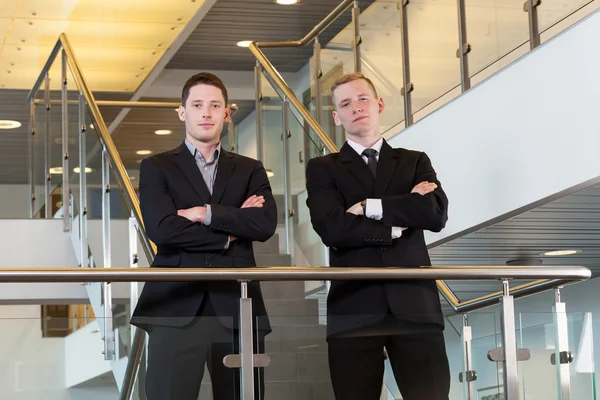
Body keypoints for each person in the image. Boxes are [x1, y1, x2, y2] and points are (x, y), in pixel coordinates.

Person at [131, 72, 277, 400]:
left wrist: (202, 213)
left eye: (215, 105)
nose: (206, 113)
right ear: (183, 112)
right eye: (197, 105)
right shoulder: (157, 167)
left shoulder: (250, 168)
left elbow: (265, 224)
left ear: (227, 113)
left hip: (238, 307)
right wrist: (229, 233)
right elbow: (161, 228)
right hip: (174, 306)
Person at [305, 72, 450, 400]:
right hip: (354, 308)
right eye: (345, 103)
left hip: (415, 307)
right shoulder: (323, 168)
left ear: (379, 103)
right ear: (336, 116)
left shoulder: (414, 161)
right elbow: (332, 229)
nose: (355, 107)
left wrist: (367, 207)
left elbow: (435, 214)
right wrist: (400, 220)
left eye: (362, 99)